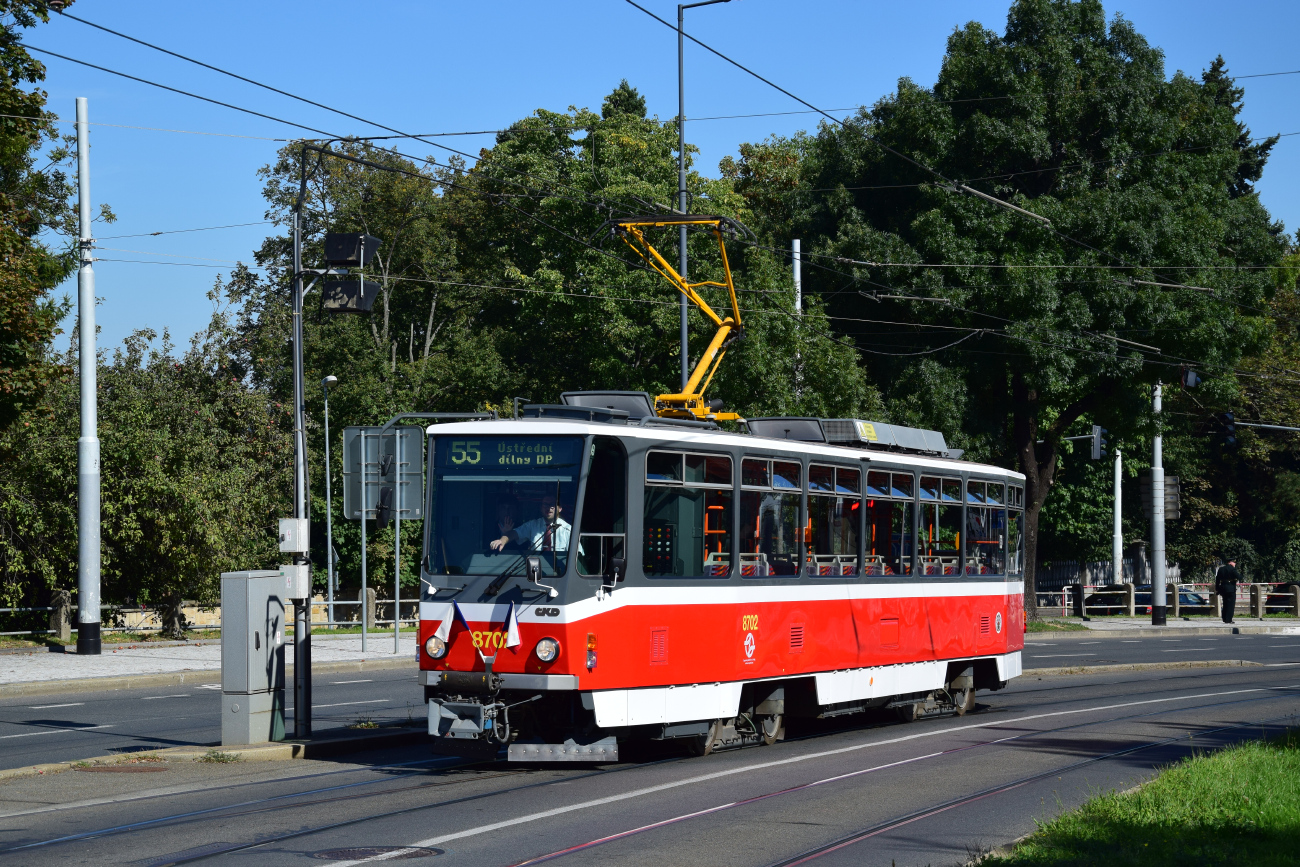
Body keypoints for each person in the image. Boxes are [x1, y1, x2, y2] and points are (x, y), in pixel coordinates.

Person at [490, 494, 571, 554]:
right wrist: (502, 540)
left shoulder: (568, 530)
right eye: (545, 504)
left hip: (559, 573)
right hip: (534, 571)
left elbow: (578, 556)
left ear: (560, 508)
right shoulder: (533, 525)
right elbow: (514, 533)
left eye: (552, 505)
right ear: (541, 507)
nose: (549, 508)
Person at [1215, 559, 1240, 624]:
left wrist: (1217, 589)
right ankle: (1229, 619)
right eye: (1234, 562)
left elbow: (1217, 580)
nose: (1235, 564)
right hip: (1231, 588)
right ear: (1230, 562)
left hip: (1223, 588)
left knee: (1225, 603)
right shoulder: (1232, 569)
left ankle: (1224, 618)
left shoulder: (1221, 569)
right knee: (1230, 605)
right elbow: (1239, 577)